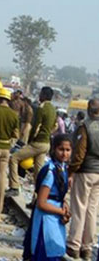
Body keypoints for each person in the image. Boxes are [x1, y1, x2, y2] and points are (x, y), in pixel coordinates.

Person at [24, 134, 72, 261]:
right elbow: (41, 203)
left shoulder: (62, 169)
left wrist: (64, 205)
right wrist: (62, 211)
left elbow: (60, 194)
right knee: (45, 253)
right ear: (54, 149)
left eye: (67, 150)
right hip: (46, 219)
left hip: (55, 217)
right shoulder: (50, 172)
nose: (64, 154)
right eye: (61, 149)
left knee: (54, 252)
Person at [66, 99, 99, 259]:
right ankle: (87, 247)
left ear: (88, 109)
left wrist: (71, 171)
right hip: (98, 173)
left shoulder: (85, 126)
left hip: (85, 171)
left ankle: (74, 244)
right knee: (92, 210)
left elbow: (79, 153)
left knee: (79, 208)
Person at [9, 87, 56, 196]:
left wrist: (30, 140)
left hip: (38, 142)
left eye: (40, 94)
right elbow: (55, 126)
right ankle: (37, 197)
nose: (39, 96)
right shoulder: (53, 109)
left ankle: (14, 186)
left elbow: (36, 126)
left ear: (44, 95)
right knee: (38, 172)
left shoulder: (42, 108)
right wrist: (48, 134)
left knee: (14, 158)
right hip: (46, 143)